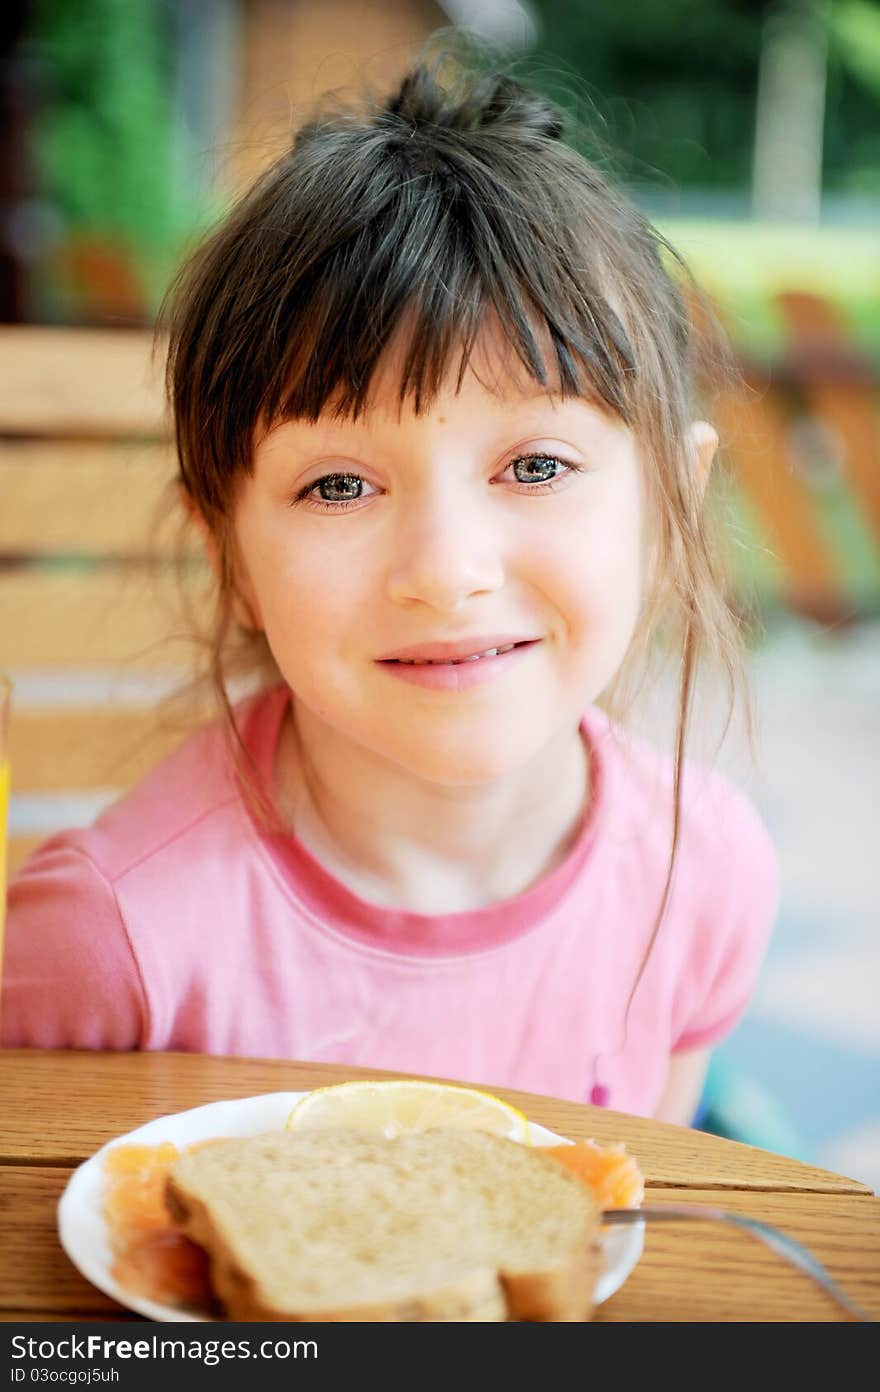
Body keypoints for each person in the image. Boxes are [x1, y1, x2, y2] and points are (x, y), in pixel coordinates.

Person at [2, 61, 779, 1126]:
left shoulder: (704, 871)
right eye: (338, 485)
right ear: (228, 557)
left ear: (671, 509)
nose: (445, 570)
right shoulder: (108, 945)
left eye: (537, 466)